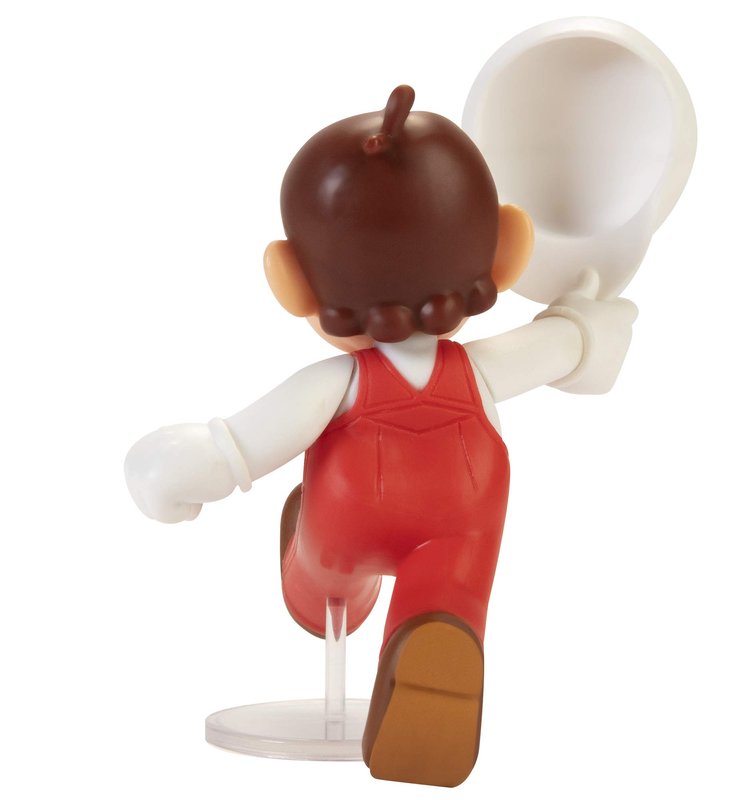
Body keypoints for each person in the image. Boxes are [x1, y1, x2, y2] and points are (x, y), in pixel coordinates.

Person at [125, 85, 637, 787]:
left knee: (325, 569)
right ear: (509, 250)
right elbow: (569, 347)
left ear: (291, 282)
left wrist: (175, 470)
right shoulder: (482, 370)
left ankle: (316, 585)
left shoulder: (333, 383)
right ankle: (437, 637)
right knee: (450, 595)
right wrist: (593, 323)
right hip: (463, 515)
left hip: (347, 512)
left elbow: (237, 446)